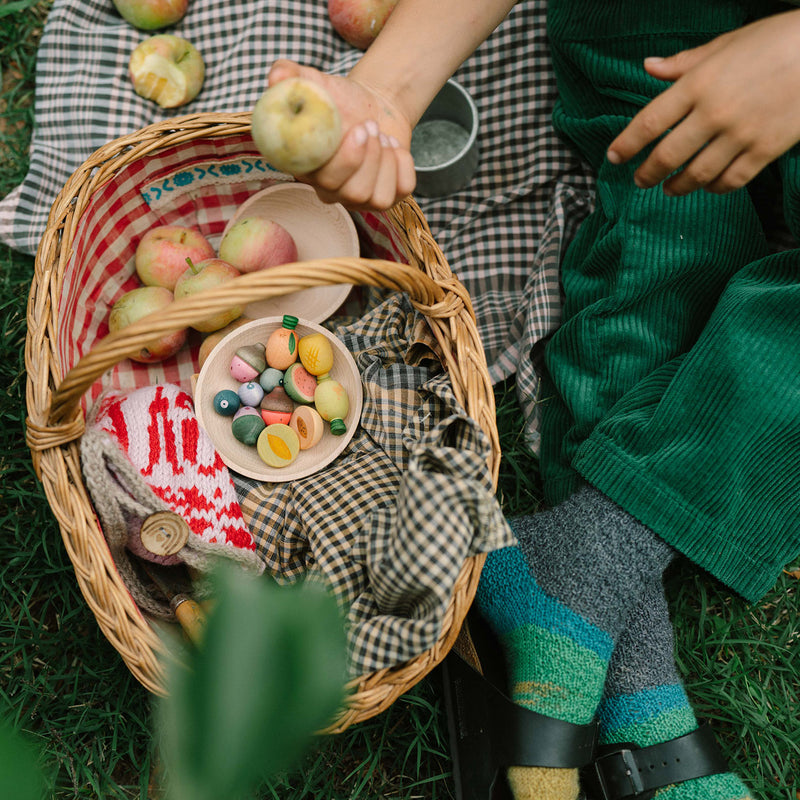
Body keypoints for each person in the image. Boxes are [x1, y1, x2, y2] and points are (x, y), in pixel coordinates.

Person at [268, 1, 800, 798]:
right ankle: (636, 686)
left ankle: (588, 562)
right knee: (667, 251)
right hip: (667, 25)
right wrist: (386, 91)